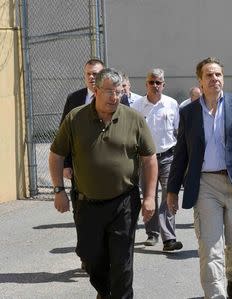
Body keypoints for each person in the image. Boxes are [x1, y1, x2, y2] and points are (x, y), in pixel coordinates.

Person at [49, 68, 158, 298]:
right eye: (109, 91)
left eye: (118, 92)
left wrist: (149, 197)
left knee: (122, 264)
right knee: (89, 257)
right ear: (96, 90)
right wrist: (58, 190)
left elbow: (149, 159)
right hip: (87, 204)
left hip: (124, 202)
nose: (114, 97)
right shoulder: (75, 117)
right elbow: (56, 155)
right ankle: (105, 291)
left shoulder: (133, 118)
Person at [167, 57, 232, 299]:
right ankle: (216, 294)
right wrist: (171, 191)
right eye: (209, 75)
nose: (214, 79)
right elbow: (181, 153)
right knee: (210, 248)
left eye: (218, 74)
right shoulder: (188, 112)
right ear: (200, 80)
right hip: (205, 184)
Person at [60, 58, 129, 270]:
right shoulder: (74, 99)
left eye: (96, 73)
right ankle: (88, 253)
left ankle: (104, 255)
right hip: (81, 170)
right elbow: (65, 136)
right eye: (88, 73)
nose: (92, 77)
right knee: (82, 211)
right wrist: (66, 163)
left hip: (111, 174)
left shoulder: (118, 99)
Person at [131, 68, 183, 251]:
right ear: (146, 84)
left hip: (168, 156)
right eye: (151, 82)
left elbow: (178, 131)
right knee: (149, 195)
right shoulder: (137, 106)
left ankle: (169, 238)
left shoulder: (172, 104)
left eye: (158, 82)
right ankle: (152, 233)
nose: (155, 85)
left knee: (169, 195)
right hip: (145, 160)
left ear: (163, 84)